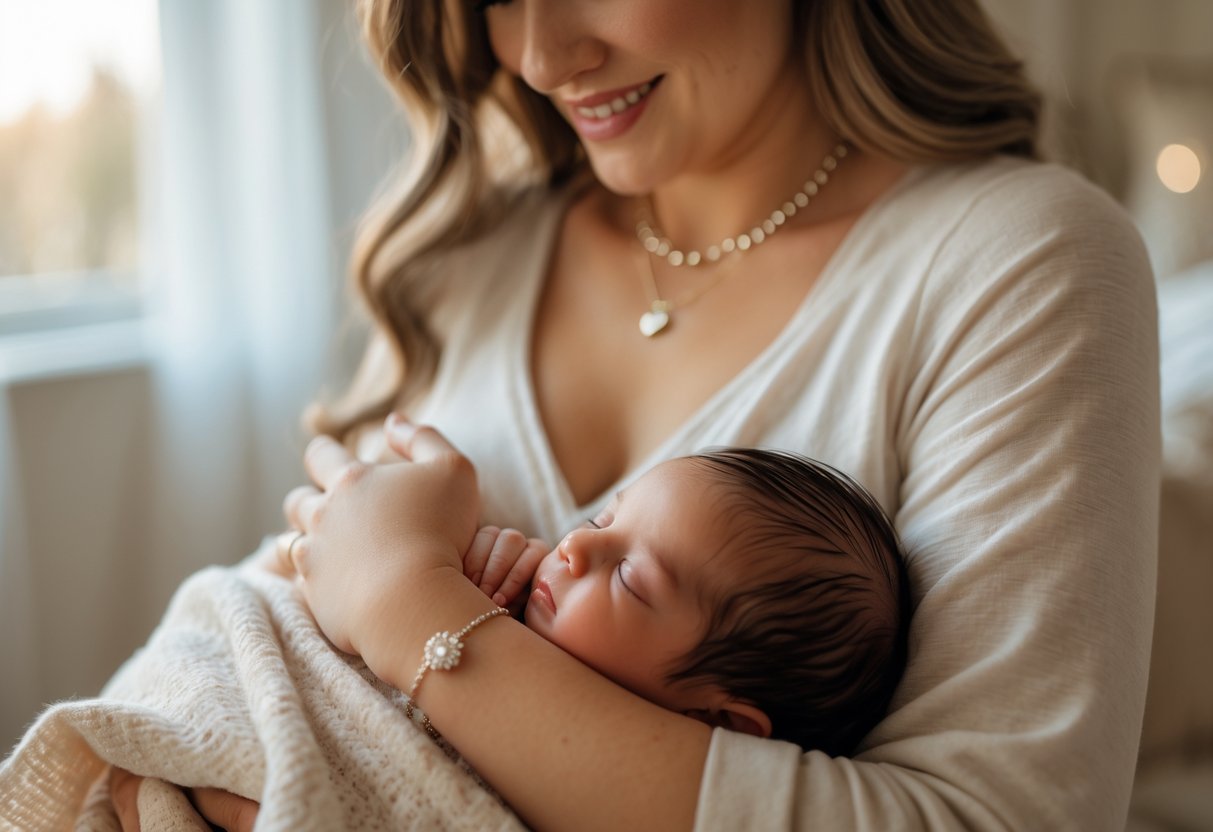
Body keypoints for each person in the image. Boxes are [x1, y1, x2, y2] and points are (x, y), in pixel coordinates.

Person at [115, 0, 1160, 828]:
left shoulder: (1018, 262)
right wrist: (160, 748)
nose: (539, 54)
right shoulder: (475, 258)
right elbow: (281, 619)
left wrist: (408, 606)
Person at [398, 444, 912, 755]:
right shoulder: (511, 600)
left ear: (715, 721)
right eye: (602, 519)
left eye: (628, 579)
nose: (574, 545)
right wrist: (477, 566)